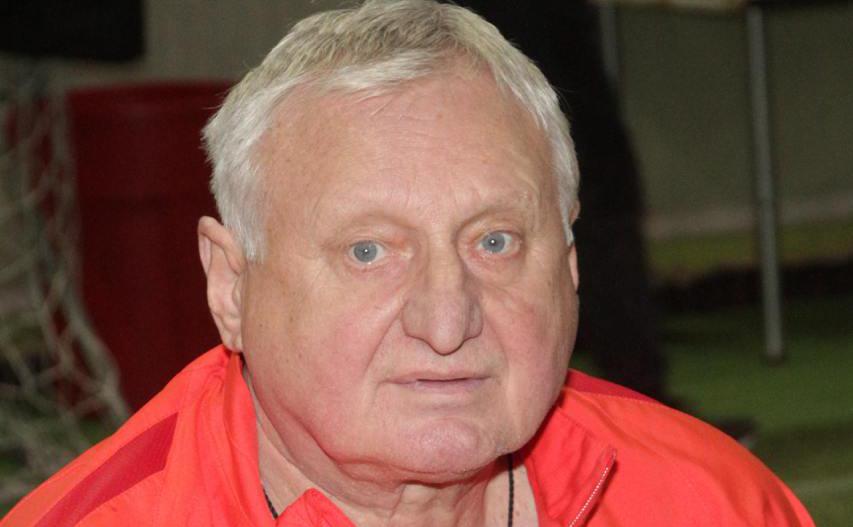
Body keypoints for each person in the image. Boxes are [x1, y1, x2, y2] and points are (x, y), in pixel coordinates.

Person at [2, 1, 812, 525]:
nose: (446, 320)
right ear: (231, 286)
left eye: (494, 241)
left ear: (569, 265)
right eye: (368, 251)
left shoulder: (717, 502)